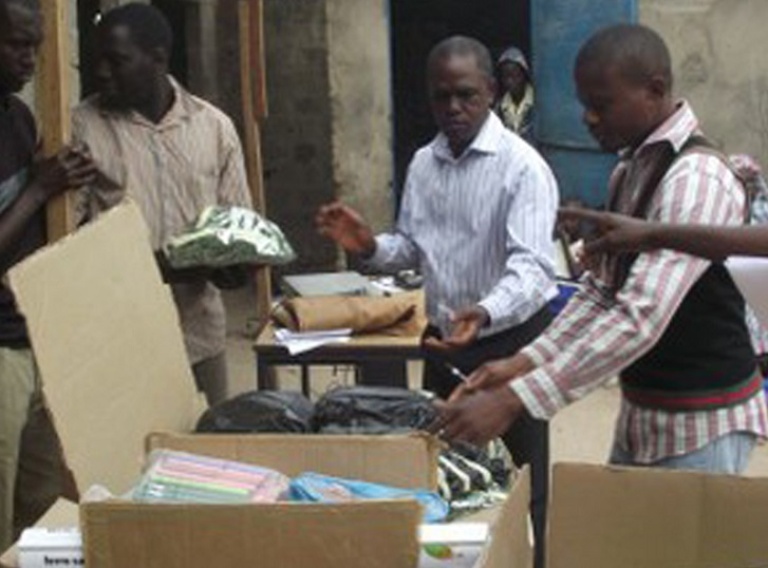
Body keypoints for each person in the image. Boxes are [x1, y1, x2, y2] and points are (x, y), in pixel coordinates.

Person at [436, 24, 768, 476]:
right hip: (645, 412)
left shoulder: (696, 179)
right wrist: (522, 362)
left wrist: (519, 397)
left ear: (654, 90)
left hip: (701, 423)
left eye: (601, 104)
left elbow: (640, 314)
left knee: (686, 549)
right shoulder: (628, 172)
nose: (588, 118)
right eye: (585, 104)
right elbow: (600, 291)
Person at [316, 36, 559, 568]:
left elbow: (533, 268)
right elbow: (413, 249)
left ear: (492, 92)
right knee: (451, 472)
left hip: (510, 347)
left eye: (466, 95)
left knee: (522, 480)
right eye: (441, 96)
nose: (453, 108)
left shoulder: (522, 168)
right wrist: (369, 247)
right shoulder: (425, 164)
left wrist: (486, 310)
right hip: (446, 345)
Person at [73, 3, 253, 406]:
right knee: (125, 464)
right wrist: (163, 264)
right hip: (117, 341)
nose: (102, 71)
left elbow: (238, 229)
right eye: (98, 58)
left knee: (204, 461)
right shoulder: (84, 126)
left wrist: (235, 265)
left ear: (157, 58)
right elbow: (66, 246)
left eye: (116, 60)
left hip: (199, 338)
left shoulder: (214, 128)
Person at [0, 0, 96, 549]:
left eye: (35, 45)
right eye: (16, 44)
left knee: (41, 508)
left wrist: (63, 184)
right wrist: (38, 188)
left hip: (34, 337)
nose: (30, 59)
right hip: (1, 352)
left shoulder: (20, 118)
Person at [494, 46, 535, 143]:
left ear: (524, 75)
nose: (510, 82)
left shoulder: (537, 104)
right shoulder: (499, 108)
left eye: (515, 76)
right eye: (505, 77)